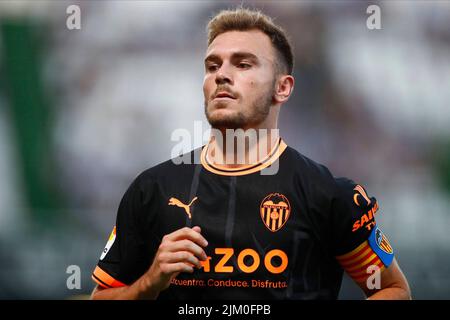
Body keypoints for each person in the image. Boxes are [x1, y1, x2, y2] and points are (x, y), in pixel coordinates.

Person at [90, 8, 411, 300]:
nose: (221, 75)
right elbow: (101, 296)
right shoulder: (153, 189)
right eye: (212, 65)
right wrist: (150, 281)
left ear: (282, 88)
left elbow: (393, 289)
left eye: (243, 64)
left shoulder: (326, 194)